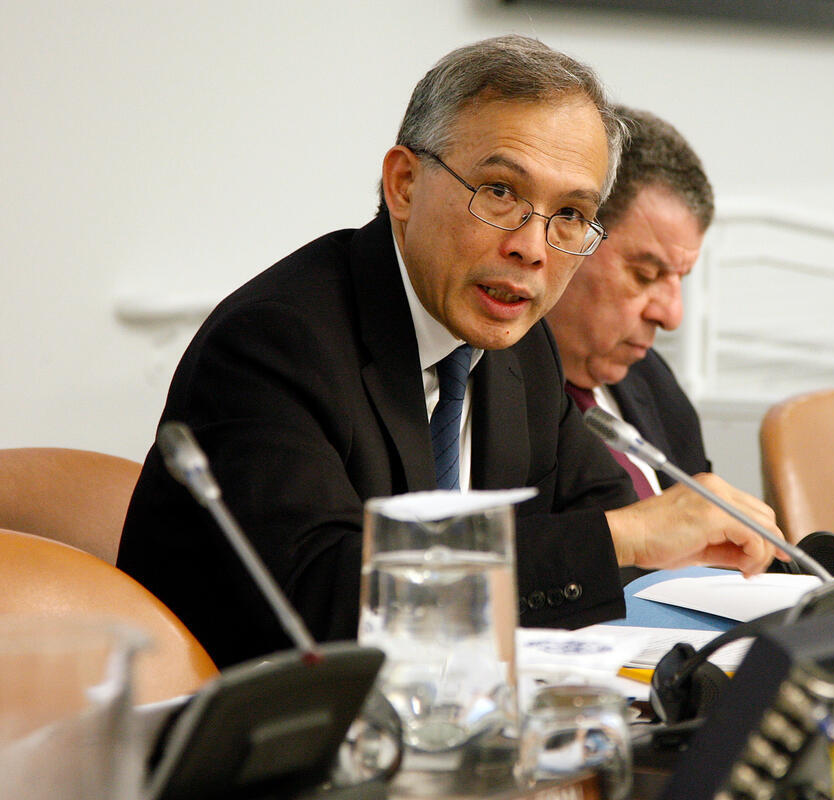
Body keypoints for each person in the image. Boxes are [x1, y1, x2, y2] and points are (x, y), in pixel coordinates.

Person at [118, 35, 785, 669]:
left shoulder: (518, 348)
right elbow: (321, 597)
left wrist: (697, 538)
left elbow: (599, 516)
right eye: (501, 193)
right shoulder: (277, 341)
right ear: (404, 184)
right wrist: (628, 536)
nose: (533, 247)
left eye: (569, 216)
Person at [546, 106, 713, 501]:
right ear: (570, 236)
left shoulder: (651, 379)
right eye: (645, 274)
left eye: (680, 279)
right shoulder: (481, 391)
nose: (672, 316)